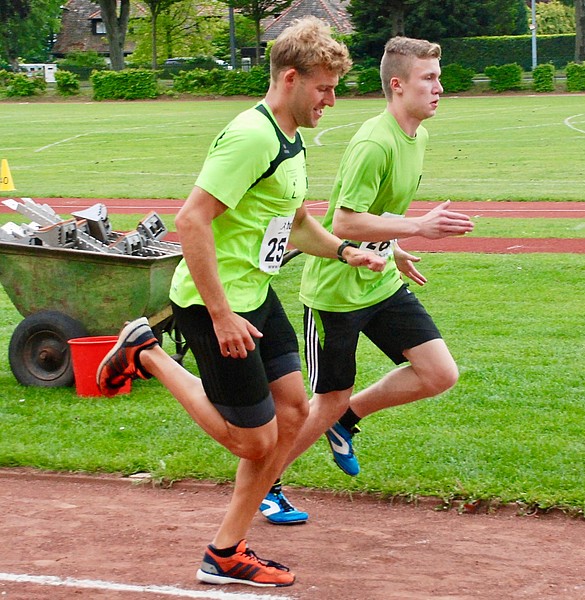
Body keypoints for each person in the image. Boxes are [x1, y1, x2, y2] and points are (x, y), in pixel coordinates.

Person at [96, 16, 385, 588]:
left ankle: (225, 553)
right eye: (324, 89)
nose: (331, 101)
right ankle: (146, 352)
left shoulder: (290, 138)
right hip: (215, 305)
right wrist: (223, 314)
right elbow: (191, 220)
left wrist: (345, 251)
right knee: (252, 440)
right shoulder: (252, 136)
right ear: (291, 78)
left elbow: (294, 224)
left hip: (256, 296)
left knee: (294, 413)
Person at [260, 36, 475, 523]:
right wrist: (417, 227)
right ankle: (267, 483)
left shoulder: (417, 136)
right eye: (428, 79)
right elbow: (344, 221)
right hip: (336, 293)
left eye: (438, 78)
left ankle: (347, 421)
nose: (439, 88)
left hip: (380, 281)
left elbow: (378, 213)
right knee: (326, 399)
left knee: (439, 373)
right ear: (397, 85)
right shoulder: (374, 143)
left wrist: (393, 247)